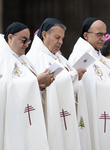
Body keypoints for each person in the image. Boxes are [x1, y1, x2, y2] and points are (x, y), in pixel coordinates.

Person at [0, 22, 53, 150]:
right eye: (23, 40)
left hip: (24, 115)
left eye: (28, 41)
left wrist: (40, 85)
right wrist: (35, 82)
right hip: (8, 118)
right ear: (10, 38)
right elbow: (2, 87)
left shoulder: (23, 59)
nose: (26, 45)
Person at [27, 18, 89, 150]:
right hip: (49, 116)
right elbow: (39, 86)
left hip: (67, 113)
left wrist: (75, 77)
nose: (60, 42)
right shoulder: (34, 57)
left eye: (62, 38)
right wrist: (72, 76)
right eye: (57, 37)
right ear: (44, 35)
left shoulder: (60, 58)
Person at [69, 17, 110, 150]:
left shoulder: (100, 58)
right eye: (99, 34)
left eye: (104, 34)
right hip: (91, 112)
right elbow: (75, 86)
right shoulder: (81, 56)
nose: (103, 39)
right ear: (86, 35)